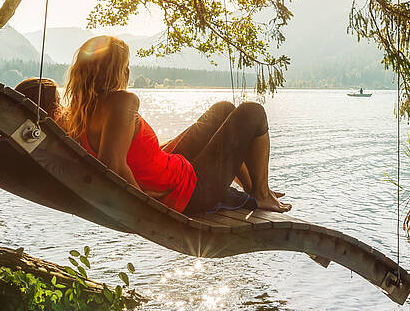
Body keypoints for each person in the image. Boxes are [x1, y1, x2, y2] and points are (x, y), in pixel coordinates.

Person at [58, 35, 290, 214]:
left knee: (224, 110)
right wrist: (147, 208)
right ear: (115, 70)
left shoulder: (81, 112)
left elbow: (119, 159)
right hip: (189, 192)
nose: (128, 71)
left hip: (169, 174)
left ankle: (254, 189)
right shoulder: (122, 102)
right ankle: (261, 194)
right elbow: (113, 165)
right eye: (125, 65)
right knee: (253, 112)